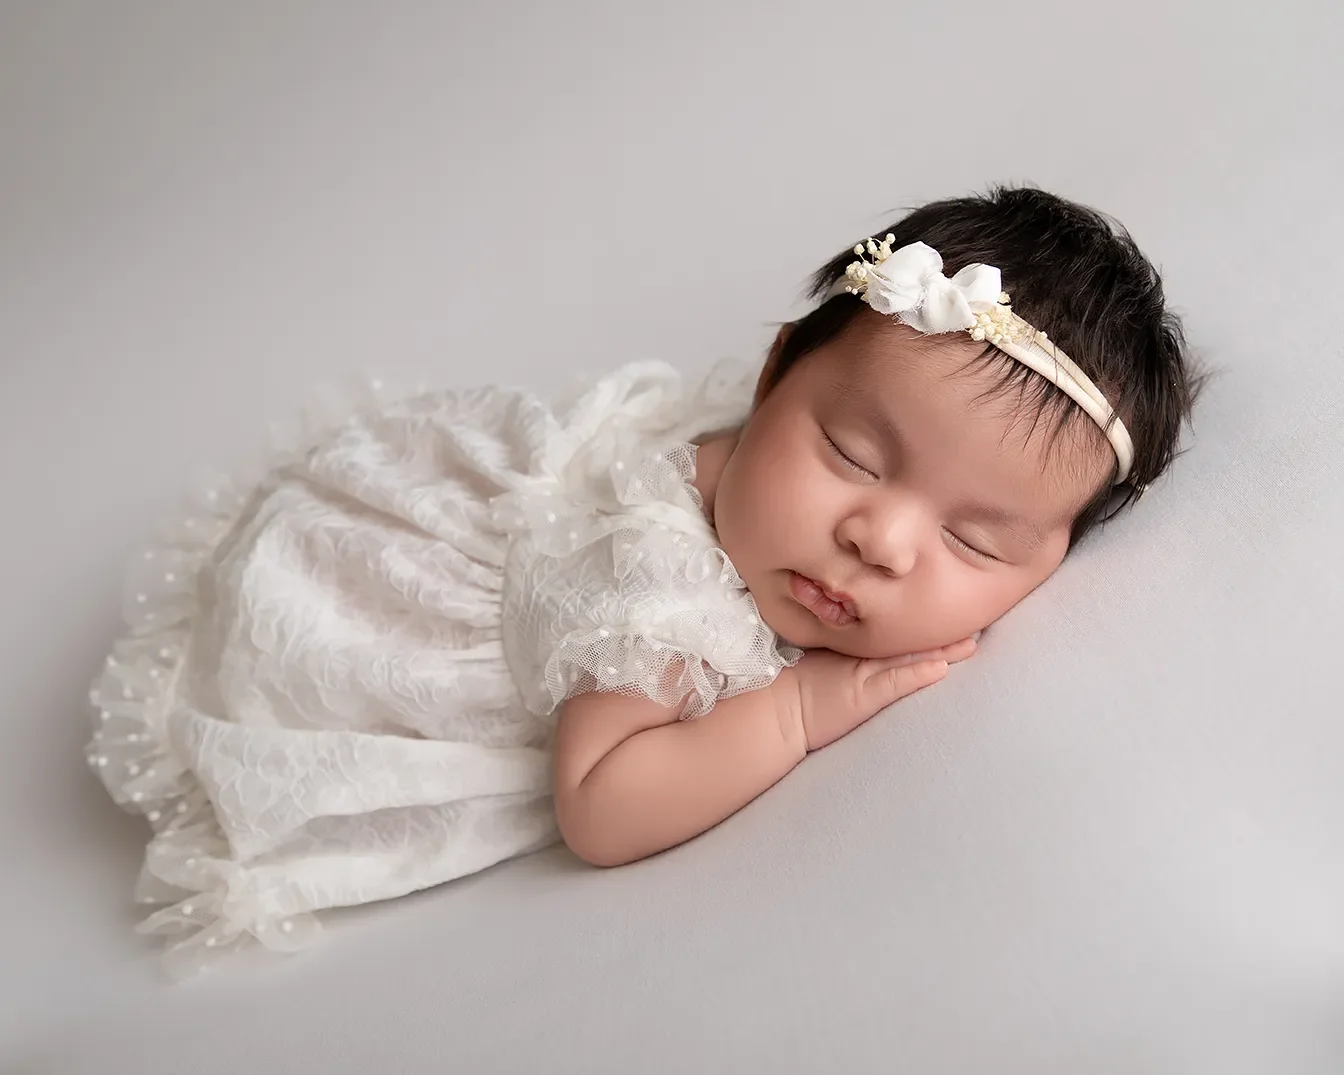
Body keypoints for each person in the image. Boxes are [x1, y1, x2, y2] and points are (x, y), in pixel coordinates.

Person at [87, 186, 1200, 975]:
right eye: (854, 457)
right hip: (355, 608)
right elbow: (603, 806)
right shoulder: (650, 582)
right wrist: (798, 708)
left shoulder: (806, 504)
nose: (881, 539)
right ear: (771, 376)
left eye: (976, 540)